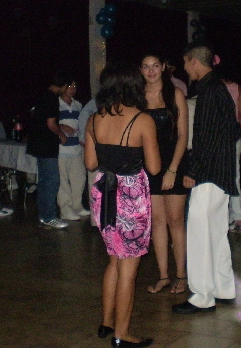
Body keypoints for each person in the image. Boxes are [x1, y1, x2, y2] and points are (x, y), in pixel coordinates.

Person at [84, 61, 160, 348]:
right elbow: (154, 167)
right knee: (129, 267)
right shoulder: (142, 120)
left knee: (114, 260)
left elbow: (90, 163)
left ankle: (106, 322)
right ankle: (122, 334)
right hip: (130, 195)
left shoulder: (94, 119)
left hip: (104, 192)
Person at [173, 42, 237, 315]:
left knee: (200, 235)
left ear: (194, 61)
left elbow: (205, 138)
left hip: (208, 175)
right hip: (221, 173)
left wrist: (193, 171)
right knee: (217, 234)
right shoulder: (219, 89)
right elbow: (232, 130)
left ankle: (202, 297)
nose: (185, 68)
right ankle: (224, 288)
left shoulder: (208, 91)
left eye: (186, 63)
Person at [140, 53, 190, 295]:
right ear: (141, 70)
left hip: (174, 164)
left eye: (155, 66)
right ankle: (163, 276)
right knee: (157, 222)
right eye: (146, 67)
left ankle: (182, 275)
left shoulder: (175, 94)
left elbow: (183, 136)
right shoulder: (137, 97)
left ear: (163, 68)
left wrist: (172, 169)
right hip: (149, 166)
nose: (151, 71)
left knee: (176, 221)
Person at [27, 71, 72, 229]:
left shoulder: (42, 95)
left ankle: (43, 216)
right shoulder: (52, 98)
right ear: (63, 85)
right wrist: (62, 135)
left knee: (44, 181)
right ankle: (49, 216)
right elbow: (51, 123)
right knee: (52, 181)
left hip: (39, 144)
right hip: (46, 145)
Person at [218, 66, 241, 233]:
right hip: (233, 136)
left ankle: (226, 216)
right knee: (234, 175)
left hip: (217, 137)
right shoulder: (237, 88)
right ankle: (237, 216)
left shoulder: (211, 87)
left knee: (219, 177)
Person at [57, 80, 89, 220]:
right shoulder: (56, 104)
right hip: (61, 149)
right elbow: (49, 122)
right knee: (63, 182)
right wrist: (62, 127)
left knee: (79, 179)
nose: (72, 89)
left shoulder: (78, 105)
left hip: (76, 147)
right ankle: (66, 210)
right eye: (69, 86)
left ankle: (77, 206)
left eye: (75, 86)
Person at [78, 97, 98, 226]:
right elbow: (84, 114)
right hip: (97, 148)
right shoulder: (99, 100)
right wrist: (83, 138)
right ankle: (95, 220)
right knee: (94, 182)